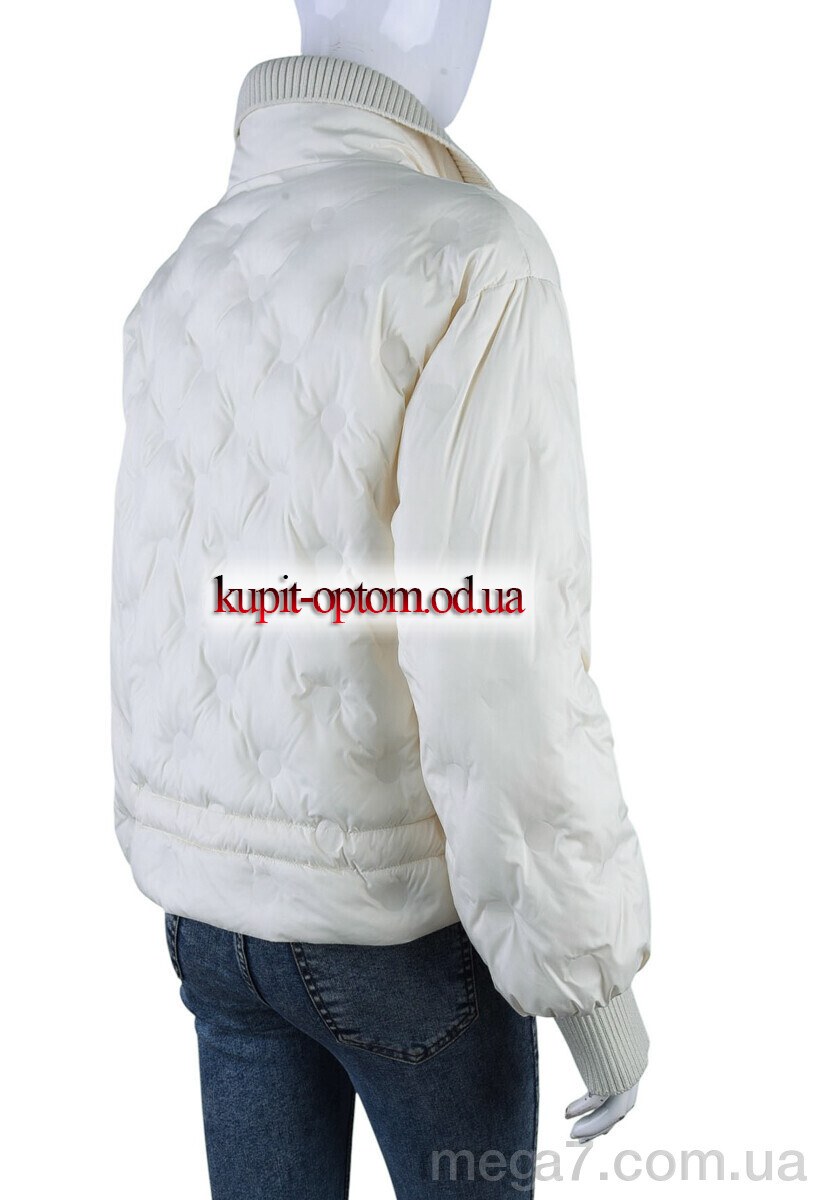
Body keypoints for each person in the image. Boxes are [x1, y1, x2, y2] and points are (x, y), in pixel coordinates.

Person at [111, 4, 652, 1196]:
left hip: (210, 921)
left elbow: (168, 602)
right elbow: (494, 654)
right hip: (397, 935)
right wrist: (591, 987)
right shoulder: (474, 255)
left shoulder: (189, 267)